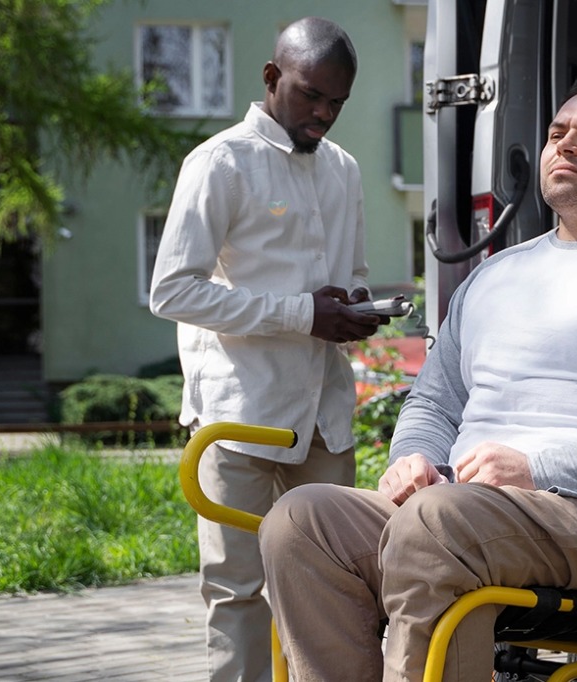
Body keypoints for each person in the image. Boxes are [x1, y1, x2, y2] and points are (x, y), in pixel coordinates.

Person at [257, 63, 577, 681]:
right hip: (461, 508)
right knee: (300, 521)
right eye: (556, 133)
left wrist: (538, 468)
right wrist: (413, 458)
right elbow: (434, 402)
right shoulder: (493, 275)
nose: (565, 145)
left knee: (438, 523)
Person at [148, 17, 382, 682]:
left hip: (324, 417)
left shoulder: (343, 169)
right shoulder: (219, 162)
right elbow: (172, 291)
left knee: (338, 591)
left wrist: (357, 308)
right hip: (240, 417)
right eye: (311, 94)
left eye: (337, 102)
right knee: (237, 591)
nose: (324, 113)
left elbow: (351, 273)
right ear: (272, 77)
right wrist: (304, 314)